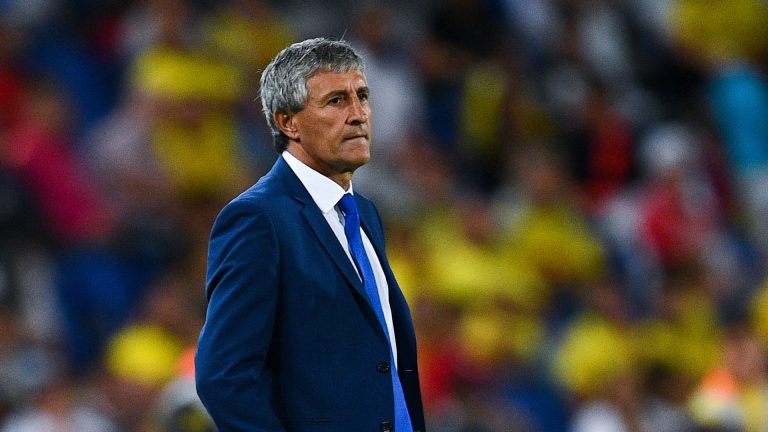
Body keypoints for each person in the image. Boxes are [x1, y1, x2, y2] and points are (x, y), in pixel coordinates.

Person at [194, 37, 426, 432]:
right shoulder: (258, 219)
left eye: (362, 96)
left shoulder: (364, 213)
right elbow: (223, 377)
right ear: (289, 122)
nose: (358, 115)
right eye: (336, 101)